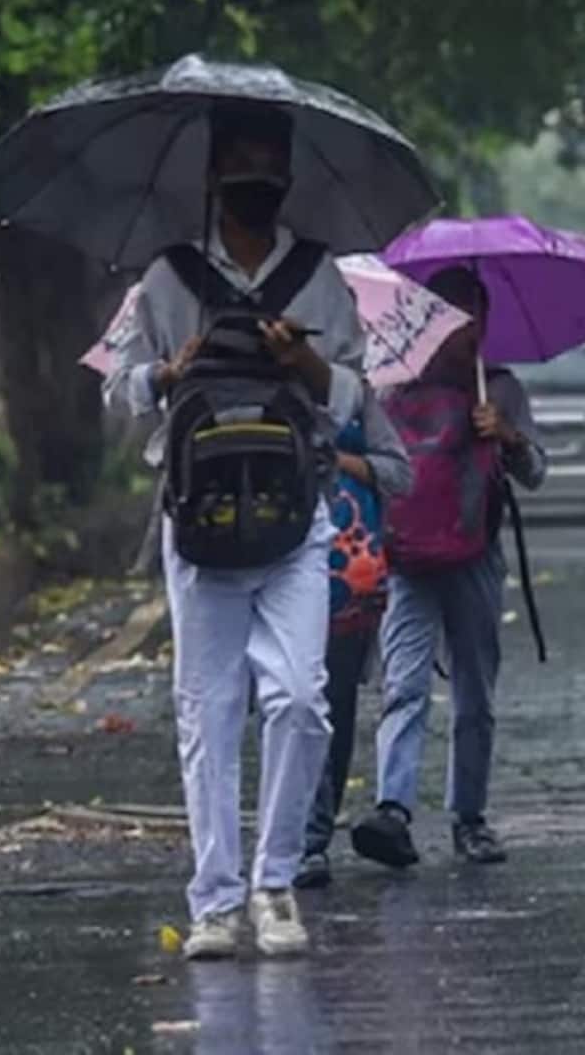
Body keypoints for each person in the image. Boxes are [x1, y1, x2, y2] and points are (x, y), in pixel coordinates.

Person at [102, 100, 368, 959]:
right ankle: (216, 901)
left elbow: (358, 395)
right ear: (215, 175)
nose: (261, 182)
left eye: (272, 169)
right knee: (209, 715)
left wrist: (307, 363)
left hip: (296, 521)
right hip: (198, 524)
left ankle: (274, 883)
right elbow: (117, 390)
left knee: (300, 699)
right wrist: (166, 371)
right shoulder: (167, 279)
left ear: (287, 177)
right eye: (245, 167)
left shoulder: (320, 279)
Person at [352, 267, 547, 869]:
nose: (462, 328)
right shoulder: (389, 385)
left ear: (486, 322)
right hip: (407, 557)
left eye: (472, 315)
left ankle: (470, 816)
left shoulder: (502, 389)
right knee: (404, 685)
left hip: (474, 555)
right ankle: (393, 810)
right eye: (451, 313)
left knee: (474, 694)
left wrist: (508, 436)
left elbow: (535, 473)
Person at [294, 384, 412, 890]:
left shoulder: (353, 393)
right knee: (289, 699)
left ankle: (313, 835)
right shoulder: (249, 386)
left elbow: (399, 474)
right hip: (270, 562)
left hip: (348, 576)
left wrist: (340, 461)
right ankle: (297, 838)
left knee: (335, 703)